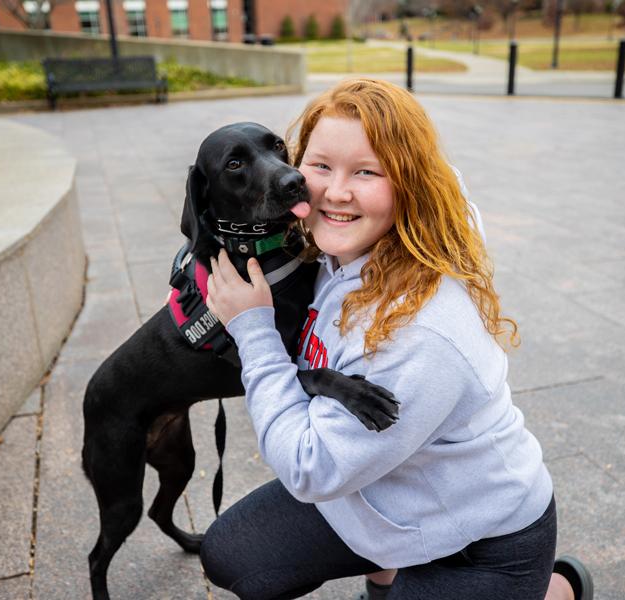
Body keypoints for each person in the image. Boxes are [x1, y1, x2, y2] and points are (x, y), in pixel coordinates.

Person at [202, 78, 592, 600]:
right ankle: (386, 567)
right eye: (321, 166)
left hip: (482, 537)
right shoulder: (352, 243)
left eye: (366, 172)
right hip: (383, 494)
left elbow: (310, 467)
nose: (335, 192)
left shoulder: (420, 331)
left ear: (409, 185)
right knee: (232, 555)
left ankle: (554, 590)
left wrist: (252, 329)